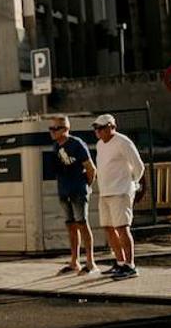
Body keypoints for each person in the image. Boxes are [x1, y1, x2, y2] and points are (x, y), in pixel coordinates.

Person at [93, 113, 146, 279]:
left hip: (121, 191)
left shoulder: (123, 142)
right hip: (105, 192)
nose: (98, 131)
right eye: (96, 128)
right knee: (108, 228)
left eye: (101, 128)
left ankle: (131, 266)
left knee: (122, 227)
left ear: (111, 127)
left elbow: (139, 166)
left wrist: (132, 185)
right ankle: (120, 262)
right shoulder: (100, 144)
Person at [47, 115, 97, 274]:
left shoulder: (77, 144)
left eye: (56, 128)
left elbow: (91, 168)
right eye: (51, 128)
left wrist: (86, 186)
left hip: (77, 190)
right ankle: (74, 261)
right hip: (64, 190)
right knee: (70, 225)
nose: (53, 132)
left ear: (66, 129)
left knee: (82, 223)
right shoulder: (55, 146)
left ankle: (90, 262)